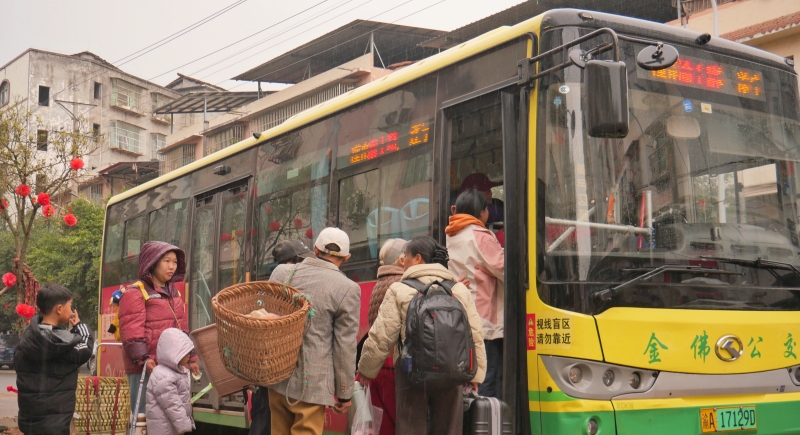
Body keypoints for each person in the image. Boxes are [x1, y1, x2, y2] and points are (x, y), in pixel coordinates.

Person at [357, 237, 486, 435]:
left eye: (405, 256)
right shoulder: (458, 290)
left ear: (417, 259)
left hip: (411, 372)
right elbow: (474, 334)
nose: (403, 261)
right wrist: (475, 375)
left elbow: (381, 336)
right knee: (449, 428)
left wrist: (366, 370)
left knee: (411, 427)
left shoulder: (400, 289)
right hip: (453, 371)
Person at [267, 228, 360, 435]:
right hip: (312, 383)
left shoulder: (281, 273)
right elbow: (345, 345)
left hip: (278, 376)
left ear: (315, 250)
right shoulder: (347, 288)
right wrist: (344, 393)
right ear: (346, 258)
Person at [118, 241, 200, 414]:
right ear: (152, 262)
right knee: (144, 418)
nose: (171, 266)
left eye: (175, 262)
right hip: (146, 367)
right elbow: (131, 332)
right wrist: (144, 359)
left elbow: (181, 328)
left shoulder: (174, 293)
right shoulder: (136, 292)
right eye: (166, 261)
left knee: (168, 421)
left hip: (171, 366)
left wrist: (191, 358)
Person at [250, 239, 314, 435]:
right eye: (299, 261)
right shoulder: (280, 293)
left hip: (271, 377)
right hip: (275, 376)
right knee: (266, 423)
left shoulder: (276, 293)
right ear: (288, 265)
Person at [446, 189, 505, 399]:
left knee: (471, 380)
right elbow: (505, 268)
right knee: (488, 378)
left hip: (459, 316)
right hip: (483, 320)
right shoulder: (479, 236)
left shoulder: (451, 234)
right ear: (481, 213)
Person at [14, 284, 93, 435]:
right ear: (59, 309)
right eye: (70, 306)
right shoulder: (63, 343)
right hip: (55, 424)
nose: (71, 311)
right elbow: (85, 348)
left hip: (30, 421)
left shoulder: (27, 338)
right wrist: (79, 326)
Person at [364, 238, 406, 435]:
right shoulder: (400, 284)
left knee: (383, 423)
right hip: (394, 363)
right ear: (402, 260)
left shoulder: (381, 282)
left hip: (381, 363)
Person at [146, 328, 196, 435]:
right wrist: (186, 426)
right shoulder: (163, 375)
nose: (189, 355)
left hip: (171, 428)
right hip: (163, 430)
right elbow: (173, 406)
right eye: (185, 351)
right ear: (173, 353)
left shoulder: (177, 371)